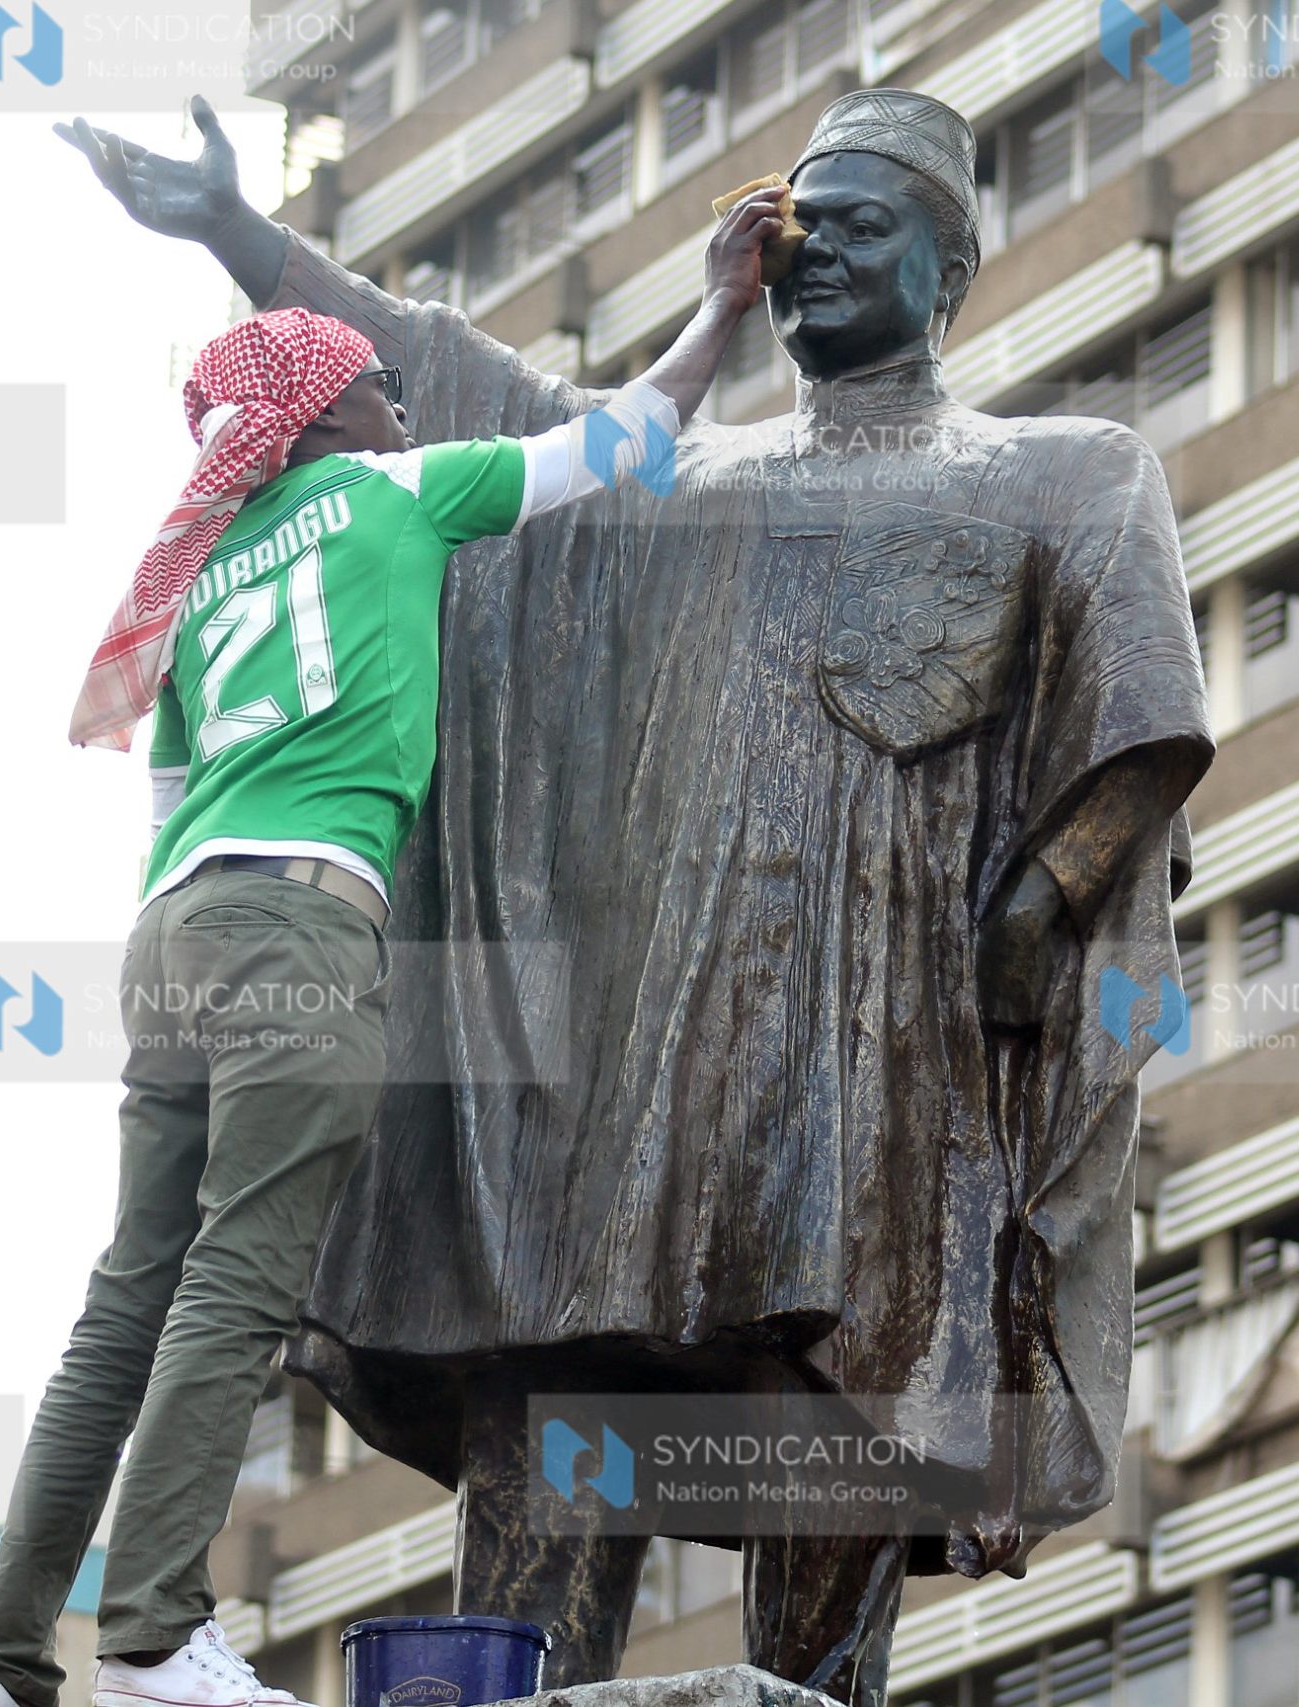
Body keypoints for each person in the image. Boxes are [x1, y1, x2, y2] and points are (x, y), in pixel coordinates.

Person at [63, 90, 1212, 1707]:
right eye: (795, 233)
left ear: (949, 267)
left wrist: (1038, 906)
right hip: (615, 1103)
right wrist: (240, 237)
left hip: (867, 1083)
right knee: (548, 1417)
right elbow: (446, 383)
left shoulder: (1062, 474)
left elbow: (1139, 728)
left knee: (842, 1432)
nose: (814, 262)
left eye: (860, 231)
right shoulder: (672, 475)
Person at [0, 175, 786, 1707]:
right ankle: (148, 1633)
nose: (405, 409)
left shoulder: (199, 570)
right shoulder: (394, 498)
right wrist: (727, 299)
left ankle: (10, 1657)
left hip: (173, 934)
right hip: (301, 929)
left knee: (125, 1294)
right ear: (327, 418)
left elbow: (167, 794)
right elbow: (629, 435)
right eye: (382, 392)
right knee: (237, 1284)